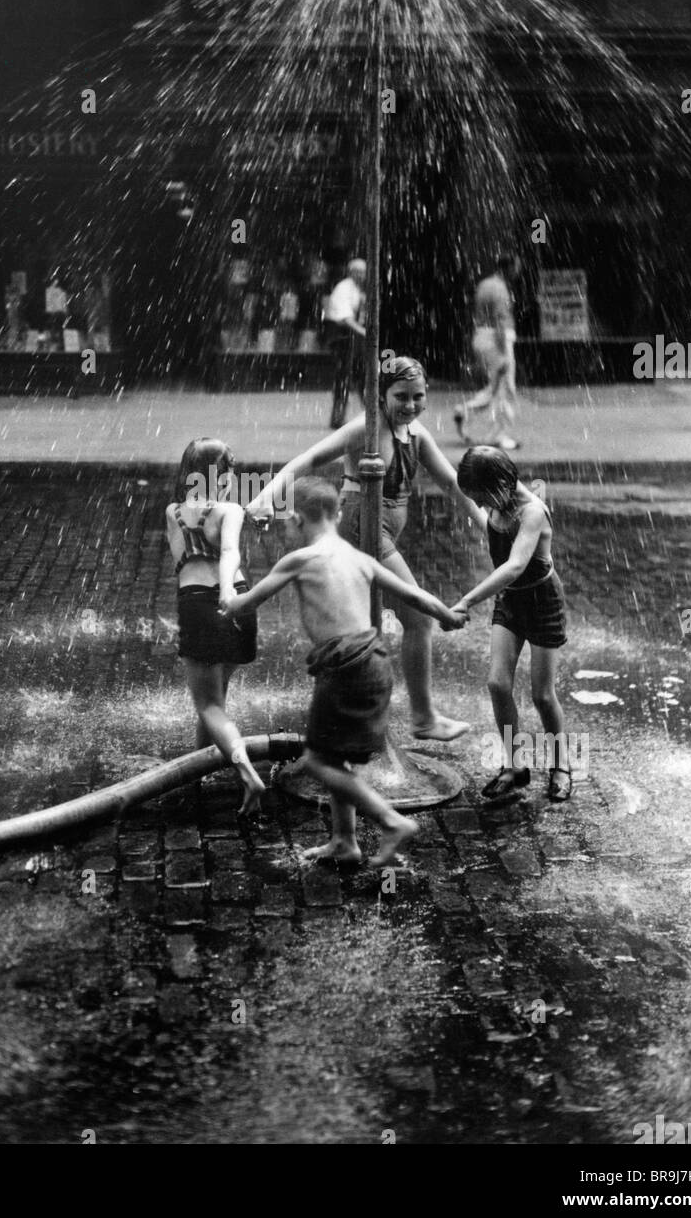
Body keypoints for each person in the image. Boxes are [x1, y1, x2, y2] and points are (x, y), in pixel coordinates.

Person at [223, 477, 466, 866]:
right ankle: (344, 842)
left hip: (344, 666)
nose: (287, 527)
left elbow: (249, 602)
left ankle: (390, 821)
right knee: (338, 757)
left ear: (298, 520)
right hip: (375, 663)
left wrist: (226, 600)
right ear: (337, 514)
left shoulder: (300, 560)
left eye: (287, 521)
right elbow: (416, 597)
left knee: (318, 761)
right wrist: (448, 616)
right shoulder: (361, 559)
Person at [246, 355, 484, 741]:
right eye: (400, 396)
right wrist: (265, 497)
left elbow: (453, 484)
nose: (410, 405)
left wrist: (486, 522)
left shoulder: (416, 433)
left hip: (384, 529)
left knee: (368, 620)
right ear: (380, 395)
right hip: (365, 526)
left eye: (417, 397)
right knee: (418, 618)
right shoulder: (366, 429)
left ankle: (351, 703)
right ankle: (423, 718)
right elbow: (310, 457)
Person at [450, 447, 572, 803]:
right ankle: (514, 766)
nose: (483, 507)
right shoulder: (497, 500)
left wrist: (467, 599)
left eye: (484, 498)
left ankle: (561, 765)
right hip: (511, 602)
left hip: (542, 602)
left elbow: (516, 565)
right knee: (497, 683)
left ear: (502, 483)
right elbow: (460, 492)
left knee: (542, 694)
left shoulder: (532, 512)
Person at [167, 438, 265, 816]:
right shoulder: (231, 509)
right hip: (239, 603)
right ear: (224, 474)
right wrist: (227, 588)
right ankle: (200, 768)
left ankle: (245, 771)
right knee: (215, 704)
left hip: (199, 605)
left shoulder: (172, 511)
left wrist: (218, 587)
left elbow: (187, 558)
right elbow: (230, 553)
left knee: (208, 705)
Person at [455, 253, 521, 451]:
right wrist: (503, 352)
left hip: (481, 336)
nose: (518, 271)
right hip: (496, 339)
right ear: (508, 267)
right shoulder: (500, 288)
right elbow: (500, 319)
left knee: (495, 386)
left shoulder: (484, 284)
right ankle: (499, 436)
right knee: (504, 388)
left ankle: (465, 411)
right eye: (517, 266)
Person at [322, 257, 367, 430]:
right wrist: (363, 331)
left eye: (364, 272)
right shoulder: (344, 288)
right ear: (352, 272)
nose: (362, 275)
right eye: (359, 272)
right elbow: (345, 319)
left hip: (352, 337)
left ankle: (370, 412)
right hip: (341, 336)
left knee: (362, 373)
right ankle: (338, 417)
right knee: (343, 376)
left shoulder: (358, 289)